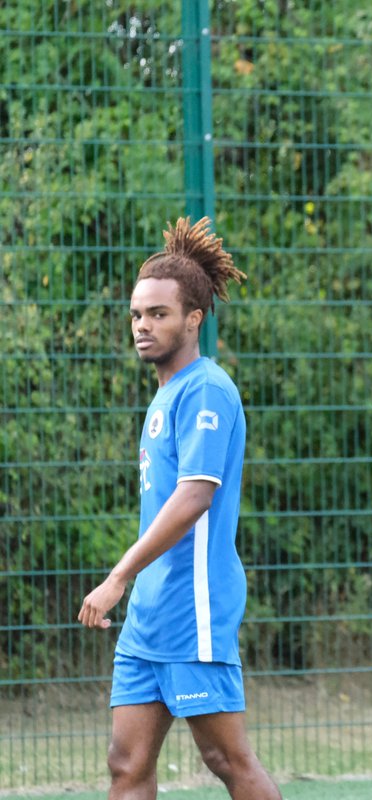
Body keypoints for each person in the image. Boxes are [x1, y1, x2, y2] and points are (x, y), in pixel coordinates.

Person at [78, 217, 281, 800]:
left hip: (192, 611)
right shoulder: (165, 394)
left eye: (158, 314)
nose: (143, 326)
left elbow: (195, 497)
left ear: (193, 319)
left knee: (226, 758)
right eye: (138, 314)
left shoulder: (207, 390)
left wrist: (119, 575)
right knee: (126, 763)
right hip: (149, 615)